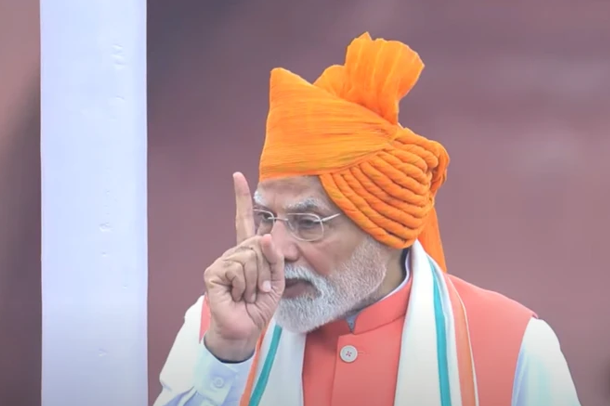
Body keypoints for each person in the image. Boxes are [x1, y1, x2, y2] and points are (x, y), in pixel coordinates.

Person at [153, 32, 581, 406]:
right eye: (266, 217)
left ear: (384, 226)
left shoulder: (515, 347)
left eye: (308, 222)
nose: (276, 249)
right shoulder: (214, 325)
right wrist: (226, 355)